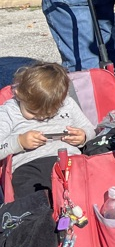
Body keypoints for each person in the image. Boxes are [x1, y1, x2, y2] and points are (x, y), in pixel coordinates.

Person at [0, 61, 96, 200]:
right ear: (18, 93)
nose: (41, 117)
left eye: (49, 114)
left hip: (71, 159)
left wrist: (83, 136)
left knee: (91, 185)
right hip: (30, 165)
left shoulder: (66, 104)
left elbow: (90, 129)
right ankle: (40, 219)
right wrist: (19, 142)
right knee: (32, 199)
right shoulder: (9, 111)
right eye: (33, 112)